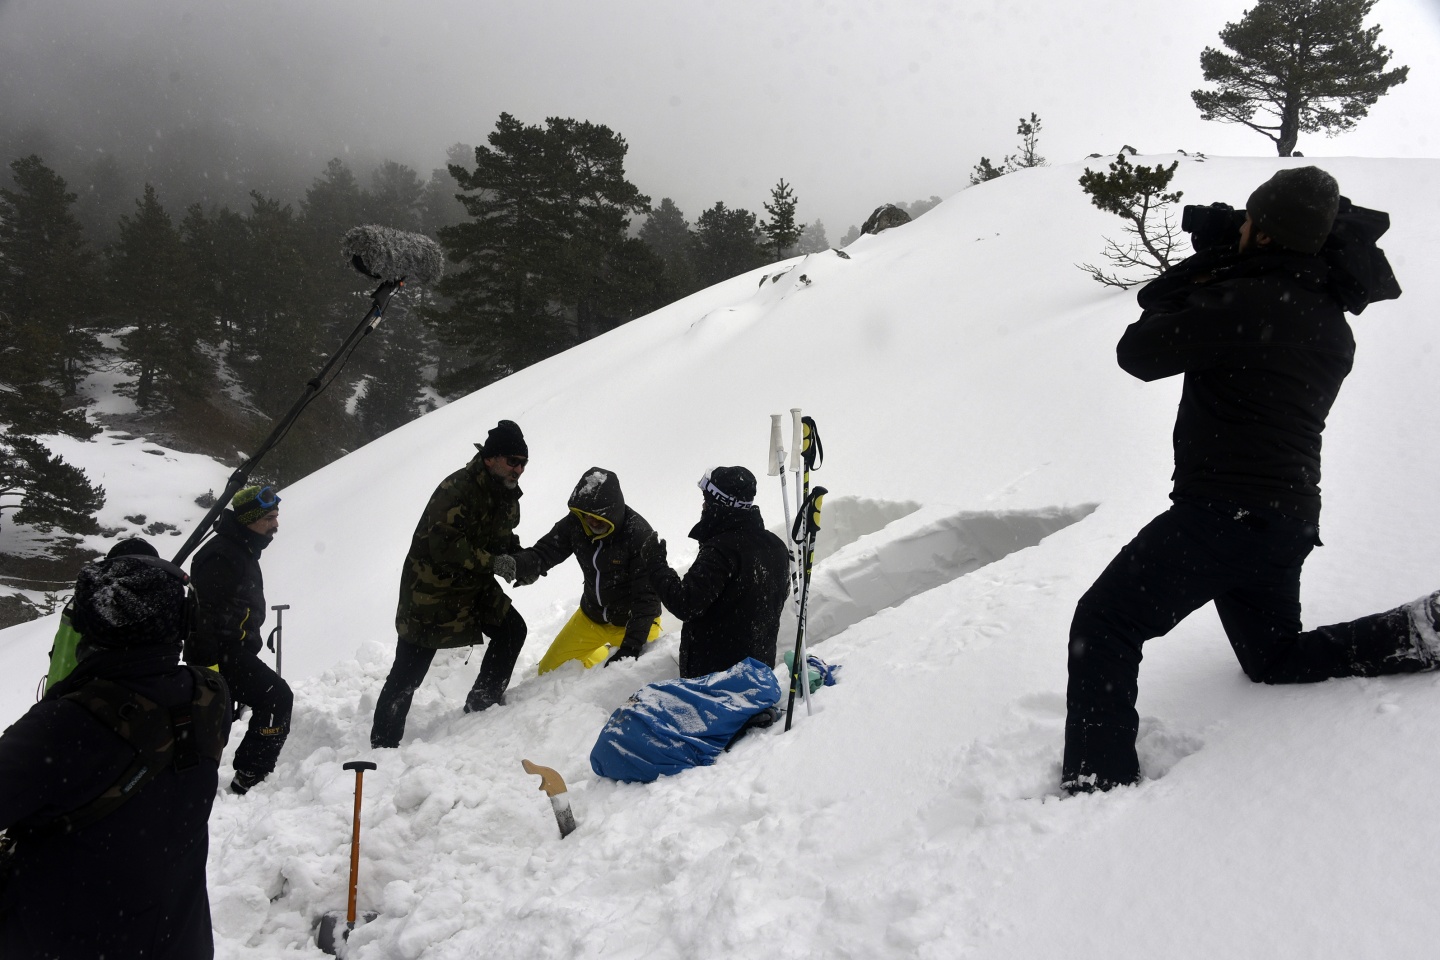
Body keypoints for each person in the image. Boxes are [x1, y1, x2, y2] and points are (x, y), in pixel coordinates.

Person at [1062, 166, 1436, 794]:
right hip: (1284, 521)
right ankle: (1415, 631)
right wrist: (1239, 259)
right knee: (1274, 658)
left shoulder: (1247, 301)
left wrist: (1211, 262)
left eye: (1249, 223)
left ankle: (1097, 778)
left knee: (1105, 622)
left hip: (1220, 517)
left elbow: (1139, 349)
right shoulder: (1326, 316)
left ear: (1262, 235)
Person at [0, 550, 231, 959]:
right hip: (180, 939)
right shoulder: (210, 697)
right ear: (181, 623)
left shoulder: (63, 725)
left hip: (70, 941)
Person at [371, 420, 530, 748]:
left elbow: (500, 537)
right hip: (433, 591)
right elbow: (445, 546)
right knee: (408, 673)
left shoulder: (505, 494)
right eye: (513, 461)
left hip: (472, 587)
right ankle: (382, 746)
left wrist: (519, 559)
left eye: (523, 463)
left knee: (512, 629)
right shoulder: (456, 489)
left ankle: (481, 707)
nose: (519, 469)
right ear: (490, 459)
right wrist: (494, 563)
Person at [497, 467, 664, 673]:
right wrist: (516, 564)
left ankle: (614, 650)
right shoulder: (577, 524)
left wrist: (631, 646)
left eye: (598, 517)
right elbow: (546, 551)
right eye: (586, 515)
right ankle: (603, 652)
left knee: (638, 674)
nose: (591, 521)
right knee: (548, 671)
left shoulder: (639, 535)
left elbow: (646, 600)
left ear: (612, 511)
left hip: (633, 622)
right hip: (591, 616)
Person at [187, 483, 291, 795]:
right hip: (219, 655)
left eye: (276, 516)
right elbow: (203, 617)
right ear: (249, 520)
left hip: (233, 651)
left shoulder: (240, 547)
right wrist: (211, 669)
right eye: (269, 518)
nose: (276, 524)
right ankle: (251, 774)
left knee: (215, 721)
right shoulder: (222, 556)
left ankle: (196, 775)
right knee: (276, 697)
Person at [652, 465, 790, 678]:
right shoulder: (776, 546)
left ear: (718, 503)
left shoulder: (721, 550)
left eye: (706, 499)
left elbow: (685, 604)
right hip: (758, 673)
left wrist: (656, 564)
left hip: (716, 681)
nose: (703, 505)